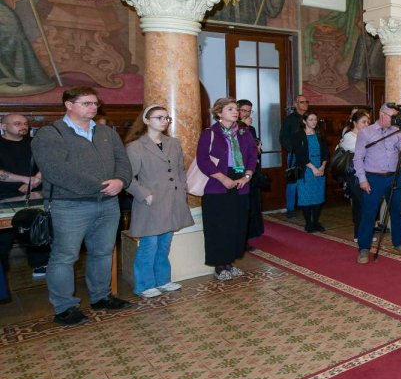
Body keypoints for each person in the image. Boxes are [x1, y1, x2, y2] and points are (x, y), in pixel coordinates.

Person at [31, 86, 133, 326]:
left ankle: (101, 296)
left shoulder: (106, 132)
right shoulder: (51, 134)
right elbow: (56, 171)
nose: (93, 107)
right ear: (69, 105)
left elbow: (123, 161)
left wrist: (121, 181)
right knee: (64, 257)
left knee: (103, 252)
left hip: (108, 203)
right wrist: (100, 186)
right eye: (87, 103)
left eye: (95, 103)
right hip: (69, 205)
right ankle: (65, 308)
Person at [125, 105, 194, 298]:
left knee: (164, 244)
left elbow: (180, 170)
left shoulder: (173, 143)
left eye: (167, 118)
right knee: (149, 245)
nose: (165, 121)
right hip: (150, 203)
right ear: (146, 120)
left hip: (172, 200)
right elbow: (128, 177)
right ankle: (144, 285)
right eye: (159, 117)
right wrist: (145, 194)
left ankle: (162, 280)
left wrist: (182, 189)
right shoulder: (136, 146)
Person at [197, 98, 259, 281]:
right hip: (217, 185)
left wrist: (247, 176)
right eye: (230, 109)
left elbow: (252, 155)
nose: (235, 112)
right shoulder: (210, 133)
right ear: (219, 113)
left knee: (237, 225)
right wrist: (223, 178)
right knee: (218, 226)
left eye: (236, 109)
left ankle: (230, 262)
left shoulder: (243, 132)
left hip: (241, 183)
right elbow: (203, 160)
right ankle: (220, 265)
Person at [352, 104, 401, 264]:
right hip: (373, 178)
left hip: (393, 177)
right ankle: (364, 248)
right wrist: (362, 179)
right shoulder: (366, 132)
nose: (394, 119)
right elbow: (358, 158)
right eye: (392, 116)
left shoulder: (397, 132)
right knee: (369, 213)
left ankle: (398, 242)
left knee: (396, 211)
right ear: (382, 114)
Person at [0, 113, 48, 295]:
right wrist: (26, 179)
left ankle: (40, 264)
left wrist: (36, 179)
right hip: (4, 197)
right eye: (17, 123)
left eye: (25, 123)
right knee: (3, 239)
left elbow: (47, 163)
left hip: (35, 194)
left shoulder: (35, 143)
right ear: (4, 126)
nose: (23, 126)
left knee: (37, 229)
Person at [338, 109, 372, 232]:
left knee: (359, 204)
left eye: (368, 122)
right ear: (355, 123)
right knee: (363, 203)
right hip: (353, 175)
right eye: (363, 122)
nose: (367, 125)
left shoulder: (365, 135)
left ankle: (359, 234)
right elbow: (362, 152)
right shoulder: (349, 137)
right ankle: (364, 233)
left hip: (365, 173)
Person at [238, 99, 265, 244]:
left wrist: (258, 148)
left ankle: (254, 231)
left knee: (254, 202)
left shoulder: (251, 128)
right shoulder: (234, 128)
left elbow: (254, 148)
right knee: (243, 205)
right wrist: (243, 127)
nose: (247, 114)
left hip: (252, 169)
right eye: (244, 110)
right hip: (239, 171)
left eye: (249, 111)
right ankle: (243, 237)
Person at [297, 111, 329, 232]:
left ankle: (316, 221)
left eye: (315, 119)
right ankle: (308, 223)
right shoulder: (298, 135)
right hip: (306, 169)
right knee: (306, 197)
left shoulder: (320, 134)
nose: (314, 122)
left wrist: (322, 167)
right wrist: (314, 168)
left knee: (318, 196)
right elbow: (300, 155)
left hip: (320, 168)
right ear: (304, 121)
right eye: (311, 120)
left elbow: (326, 152)